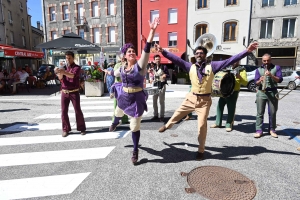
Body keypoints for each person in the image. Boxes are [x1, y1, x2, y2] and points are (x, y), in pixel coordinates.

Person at [156, 42, 258, 160]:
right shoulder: (190, 67)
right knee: (177, 114)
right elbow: (176, 59)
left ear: (205, 55)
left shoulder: (213, 66)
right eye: (197, 53)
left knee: (202, 126)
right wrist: (162, 51)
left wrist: (247, 51)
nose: (199, 55)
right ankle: (167, 126)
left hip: (204, 102)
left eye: (201, 53)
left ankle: (201, 150)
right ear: (195, 55)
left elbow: (230, 60)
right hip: (191, 98)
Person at [108, 17, 160, 165]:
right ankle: (115, 123)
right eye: (129, 51)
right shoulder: (122, 68)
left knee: (134, 126)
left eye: (133, 51)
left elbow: (147, 48)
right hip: (124, 96)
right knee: (117, 113)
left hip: (136, 98)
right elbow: (115, 74)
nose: (132, 52)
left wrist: (152, 30)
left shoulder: (140, 66)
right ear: (124, 55)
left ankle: (135, 150)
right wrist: (107, 71)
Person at [55, 51, 86, 137]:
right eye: (66, 58)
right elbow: (60, 78)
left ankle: (82, 128)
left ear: (73, 58)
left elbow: (72, 75)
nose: (68, 60)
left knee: (77, 110)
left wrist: (63, 72)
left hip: (74, 92)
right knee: (64, 111)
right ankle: (65, 129)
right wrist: (59, 72)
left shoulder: (77, 67)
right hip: (64, 92)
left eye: (69, 58)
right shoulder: (63, 67)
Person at [210, 61, 248, 132]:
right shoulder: (227, 68)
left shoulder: (241, 70)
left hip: (233, 92)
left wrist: (239, 77)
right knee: (219, 106)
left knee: (231, 108)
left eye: (235, 61)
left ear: (238, 62)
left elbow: (245, 82)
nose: (233, 62)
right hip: (224, 90)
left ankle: (229, 124)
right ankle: (218, 123)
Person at [254, 53, 283, 138]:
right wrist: (260, 80)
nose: (266, 62)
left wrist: (271, 75)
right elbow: (256, 82)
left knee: (273, 112)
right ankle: (259, 130)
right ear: (262, 61)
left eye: (268, 60)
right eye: (264, 61)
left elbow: (279, 80)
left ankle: (272, 129)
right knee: (260, 112)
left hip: (272, 92)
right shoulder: (258, 69)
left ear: (271, 60)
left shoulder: (276, 68)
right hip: (261, 92)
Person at [109, 57, 129, 124]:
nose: (123, 59)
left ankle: (125, 119)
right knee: (116, 103)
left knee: (125, 103)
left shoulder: (128, 64)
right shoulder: (117, 65)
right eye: (122, 57)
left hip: (125, 86)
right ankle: (115, 119)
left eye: (124, 57)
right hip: (118, 86)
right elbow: (115, 74)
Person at [151, 54, 170, 121]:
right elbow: (153, 76)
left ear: (160, 60)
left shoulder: (164, 67)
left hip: (162, 85)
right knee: (154, 101)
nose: (158, 60)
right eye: (156, 59)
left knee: (161, 101)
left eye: (159, 59)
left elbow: (168, 75)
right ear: (154, 60)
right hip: (155, 85)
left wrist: (165, 75)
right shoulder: (154, 67)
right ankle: (155, 115)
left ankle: (162, 116)